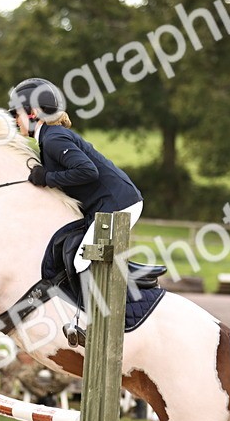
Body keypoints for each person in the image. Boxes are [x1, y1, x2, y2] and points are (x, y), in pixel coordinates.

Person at [8, 77, 143, 276]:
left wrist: (47, 178)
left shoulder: (54, 138)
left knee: (81, 263)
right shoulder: (49, 137)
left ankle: (123, 294)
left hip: (118, 205)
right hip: (107, 205)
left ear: (33, 113)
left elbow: (88, 171)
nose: (15, 120)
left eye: (16, 113)